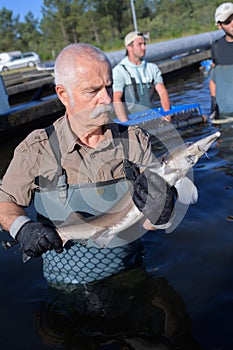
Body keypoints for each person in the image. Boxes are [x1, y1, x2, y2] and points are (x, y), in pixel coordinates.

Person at [0, 43, 176, 291]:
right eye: (92, 91)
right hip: (66, 286)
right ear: (63, 94)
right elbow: (4, 203)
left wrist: (162, 210)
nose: (106, 99)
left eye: (108, 87)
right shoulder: (37, 148)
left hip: (131, 275)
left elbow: (148, 222)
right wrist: (22, 227)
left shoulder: (135, 141)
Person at [112, 31, 171, 122]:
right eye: (140, 44)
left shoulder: (152, 68)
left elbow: (162, 92)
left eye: (144, 44)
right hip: (133, 120)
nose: (144, 47)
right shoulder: (119, 71)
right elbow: (116, 99)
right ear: (129, 47)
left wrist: (167, 113)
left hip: (152, 119)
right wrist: (126, 123)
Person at [209, 2, 233, 117]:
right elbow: (213, 78)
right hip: (226, 112)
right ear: (219, 25)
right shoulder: (216, 47)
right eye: (228, 22)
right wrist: (214, 103)